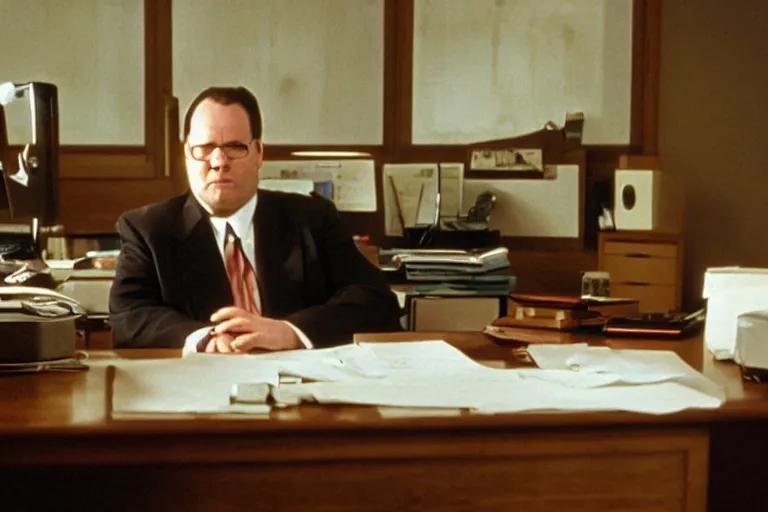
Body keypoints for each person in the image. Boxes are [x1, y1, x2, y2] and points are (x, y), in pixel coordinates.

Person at [109, 86, 402, 353]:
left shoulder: (312, 219)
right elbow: (129, 315)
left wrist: (288, 332)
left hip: (300, 393)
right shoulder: (148, 229)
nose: (219, 161)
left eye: (235, 147)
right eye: (205, 147)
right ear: (187, 154)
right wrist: (204, 338)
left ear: (259, 153)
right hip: (201, 392)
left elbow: (375, 300)